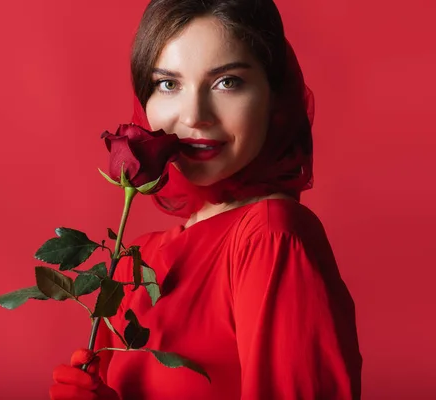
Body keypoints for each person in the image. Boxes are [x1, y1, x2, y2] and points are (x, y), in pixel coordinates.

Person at [50, 0, 362, 399]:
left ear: (275, 99)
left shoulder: (269, 237)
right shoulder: (137, 259)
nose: (195, 115)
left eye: (227, 81)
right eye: (168, 84)